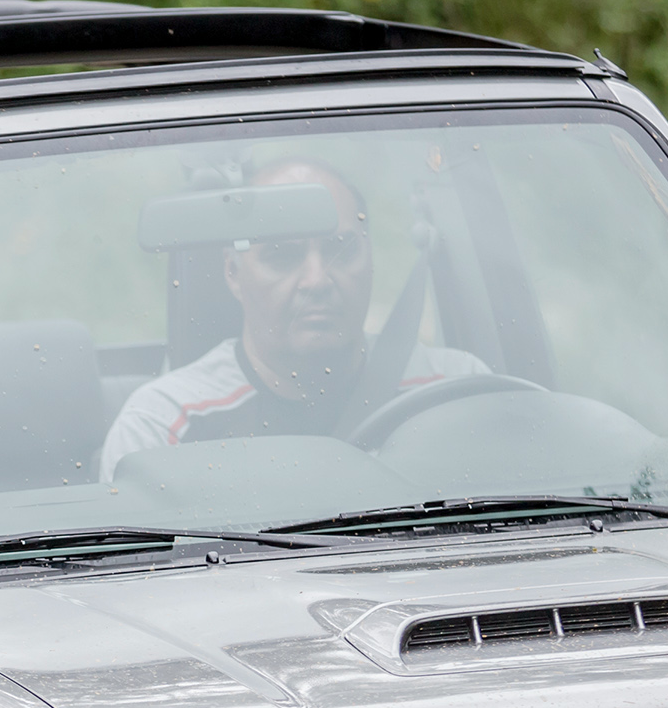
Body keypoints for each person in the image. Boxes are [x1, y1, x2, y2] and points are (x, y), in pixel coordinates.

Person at [96, 159, 487, 481]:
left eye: (341, 249)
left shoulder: (460, 392)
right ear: (233, 273)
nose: (317, 280)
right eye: (283, 256)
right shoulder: (162, 431)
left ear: (371, 261)